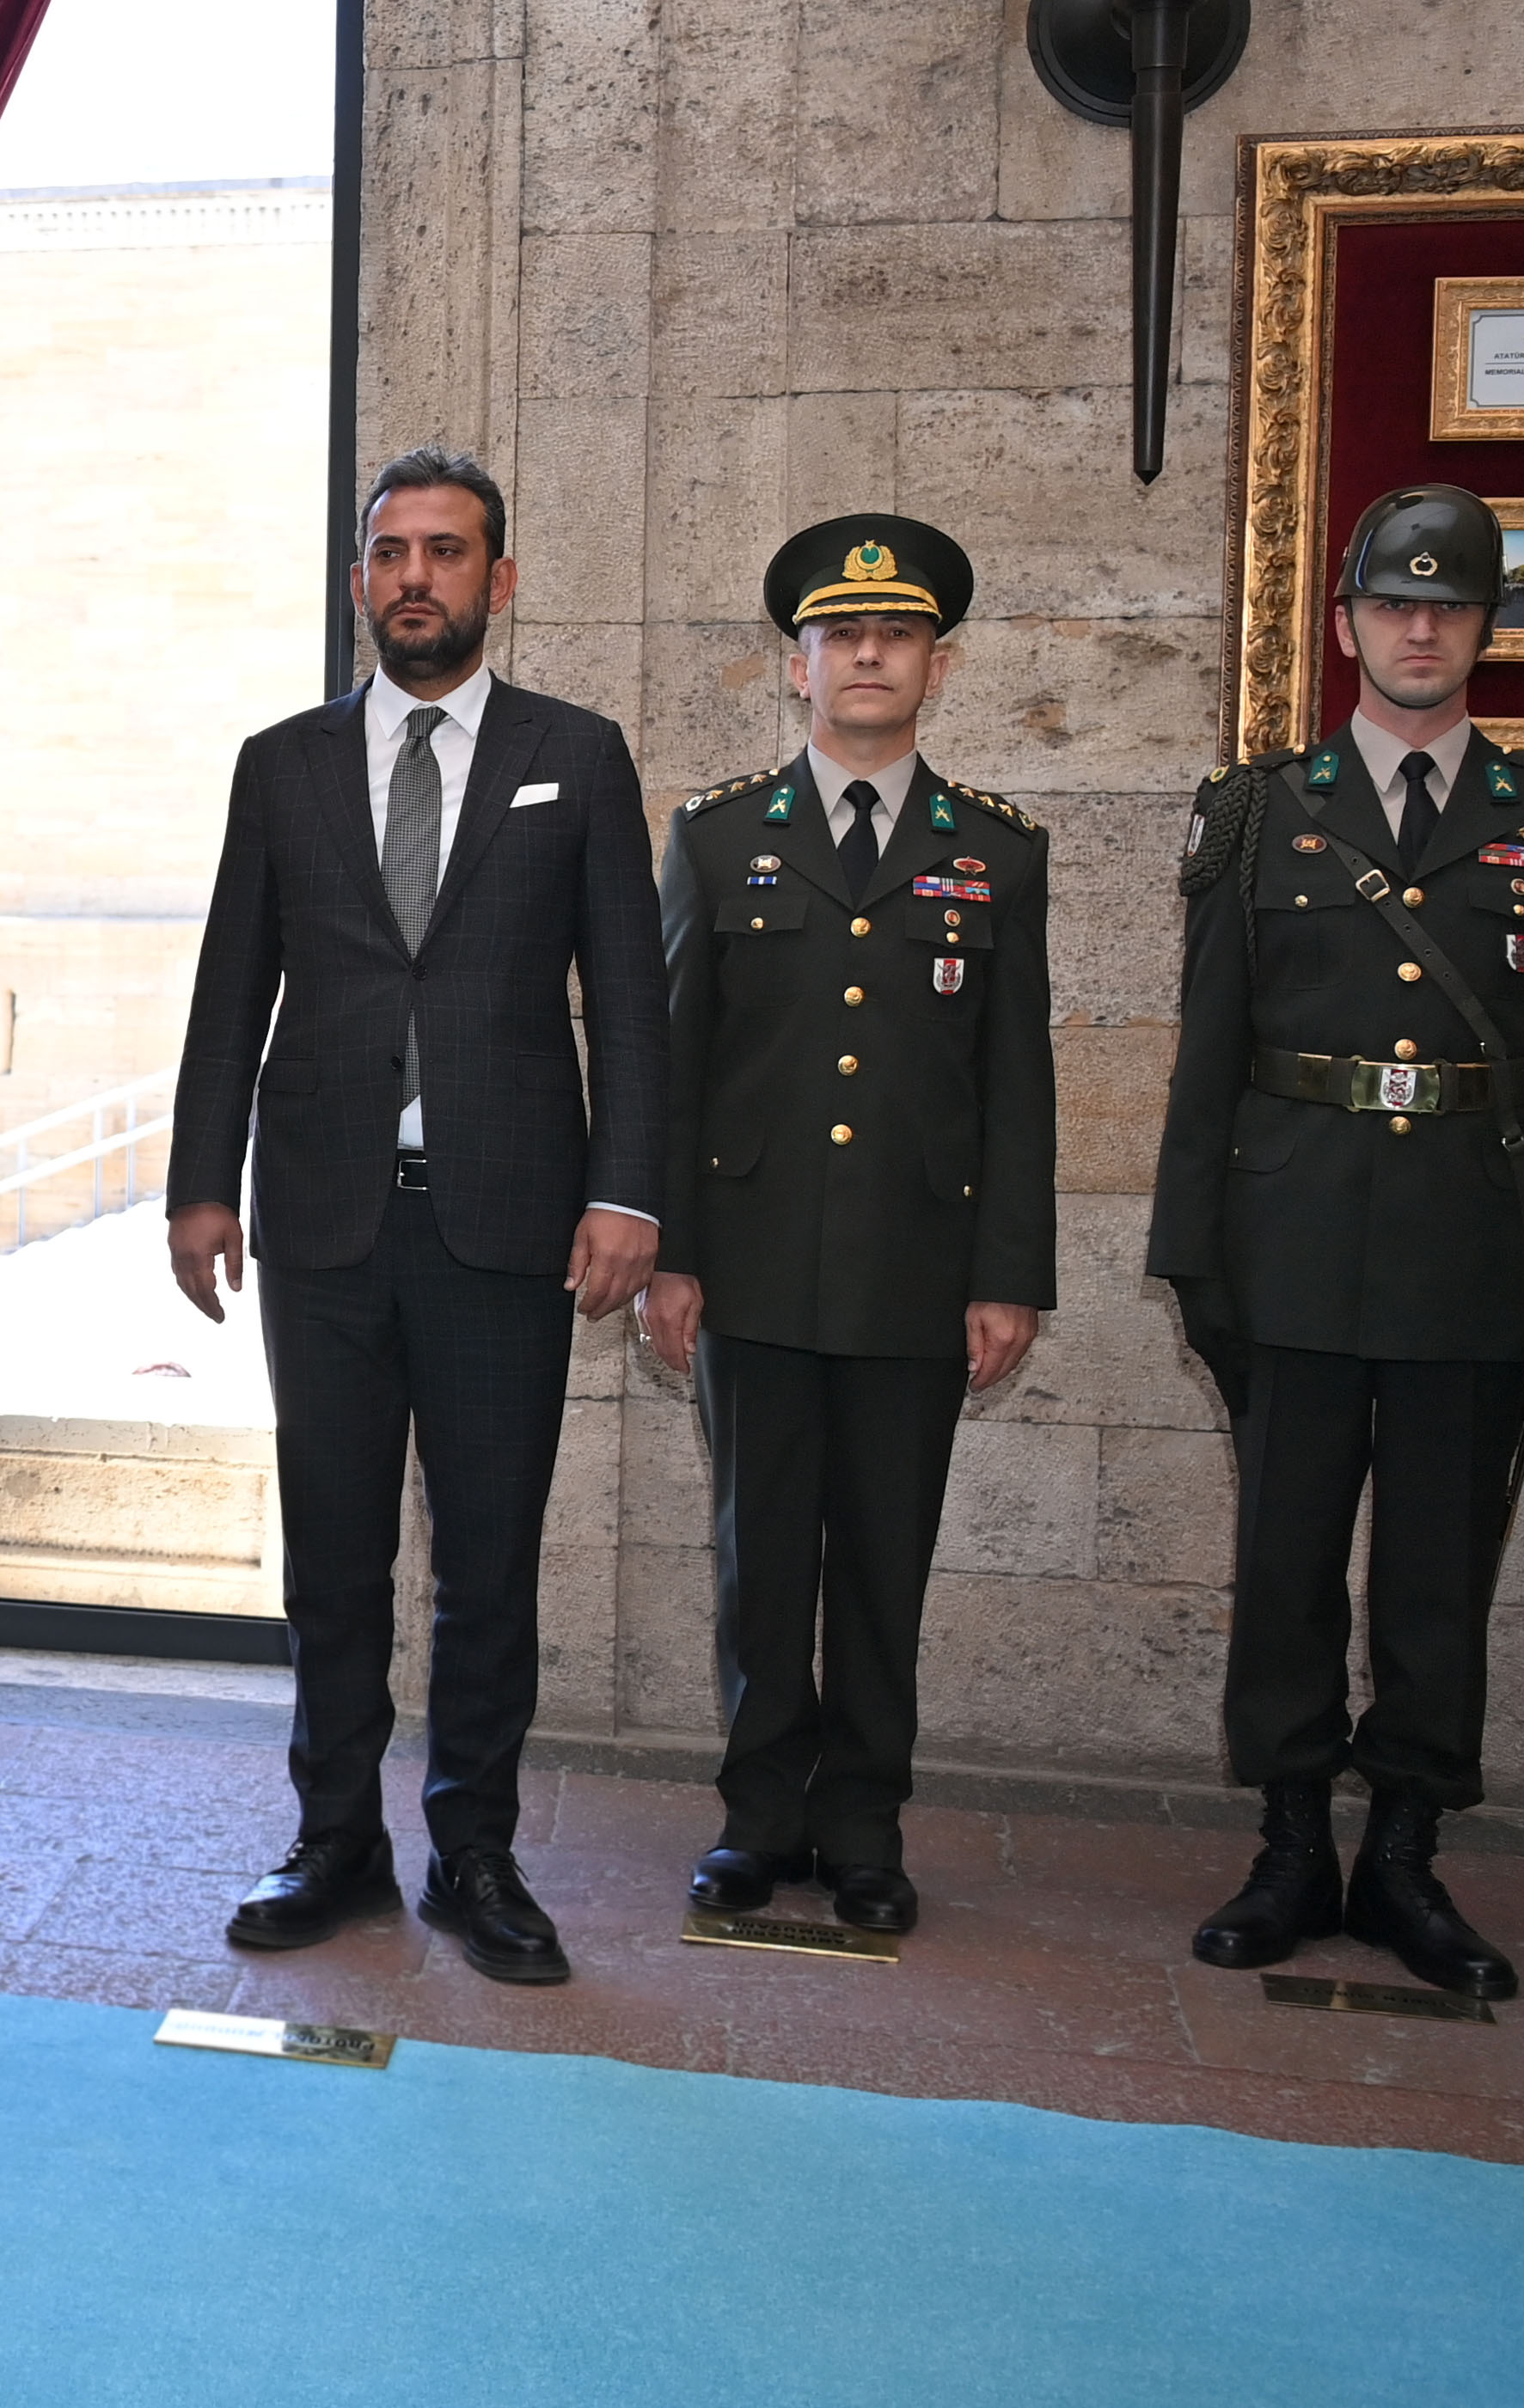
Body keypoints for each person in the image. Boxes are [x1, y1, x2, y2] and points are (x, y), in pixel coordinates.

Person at [167, 445, 670, 1983]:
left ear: (497, 581)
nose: (415, 580)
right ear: (359, 580)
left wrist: (629, 1188)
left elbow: (632, 1007)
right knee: (331, 1555)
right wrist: (198, 1180)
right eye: (390, 553)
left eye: (446, 553)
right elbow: (229, 983)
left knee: (488, 1559)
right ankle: (333, 1839)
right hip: (319, 1217)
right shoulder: (283, 762)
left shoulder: (575, 757)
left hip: (507, 1223)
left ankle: (475, 1851)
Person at [1146, 485, 1524, 2002]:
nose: (1421, 626)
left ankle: (1405, 1853)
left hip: (1468, 1259)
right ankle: (1291, 1844)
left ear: (1485, 628)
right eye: (1393, 603)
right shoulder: (1262, 811)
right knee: (1282, 1562)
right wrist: (1193, 1255)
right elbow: (1207, 1053)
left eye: (1452, 603)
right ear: (1345, 623)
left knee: (1434, 1577)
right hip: (1288, 1245)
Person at [642, 516, 1056, 1938]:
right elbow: (672, 1060)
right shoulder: (713, 835)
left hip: (915, 1271)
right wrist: (671, 1250)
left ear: (936, 668)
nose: (867, 654)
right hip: (748, 1267)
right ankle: (760, 1816)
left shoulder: (995, 851)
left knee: (884, 1560)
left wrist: (1009, 1273)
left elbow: (1018, 1082)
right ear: (797, 665)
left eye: (896, 636)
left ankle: (864, 1822)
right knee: (762, 1560)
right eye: (841, 635)